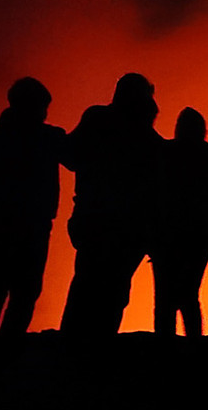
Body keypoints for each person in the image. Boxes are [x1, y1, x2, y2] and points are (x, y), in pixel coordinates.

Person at [60, 73, 164, 336]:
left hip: (93, 220)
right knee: (114, 292)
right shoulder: (151, 141)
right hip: (130, 229)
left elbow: (70, 156)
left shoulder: (97, 119)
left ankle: (71, 346)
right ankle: (100, 346)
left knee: (85, 286)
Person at [0, 77, 67, 339]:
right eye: (42, 107)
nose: (45, 114)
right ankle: (7, 349)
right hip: (32, 227)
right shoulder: (47, 138)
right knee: (25, 292)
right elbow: (74, 155)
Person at [151, 107, 208, 337]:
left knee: (165, 296)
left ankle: (167, 345)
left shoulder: (164, 152)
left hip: (167, 234)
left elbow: (151, 193)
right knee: (188, 293)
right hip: (198, 235)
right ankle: (193, 343)